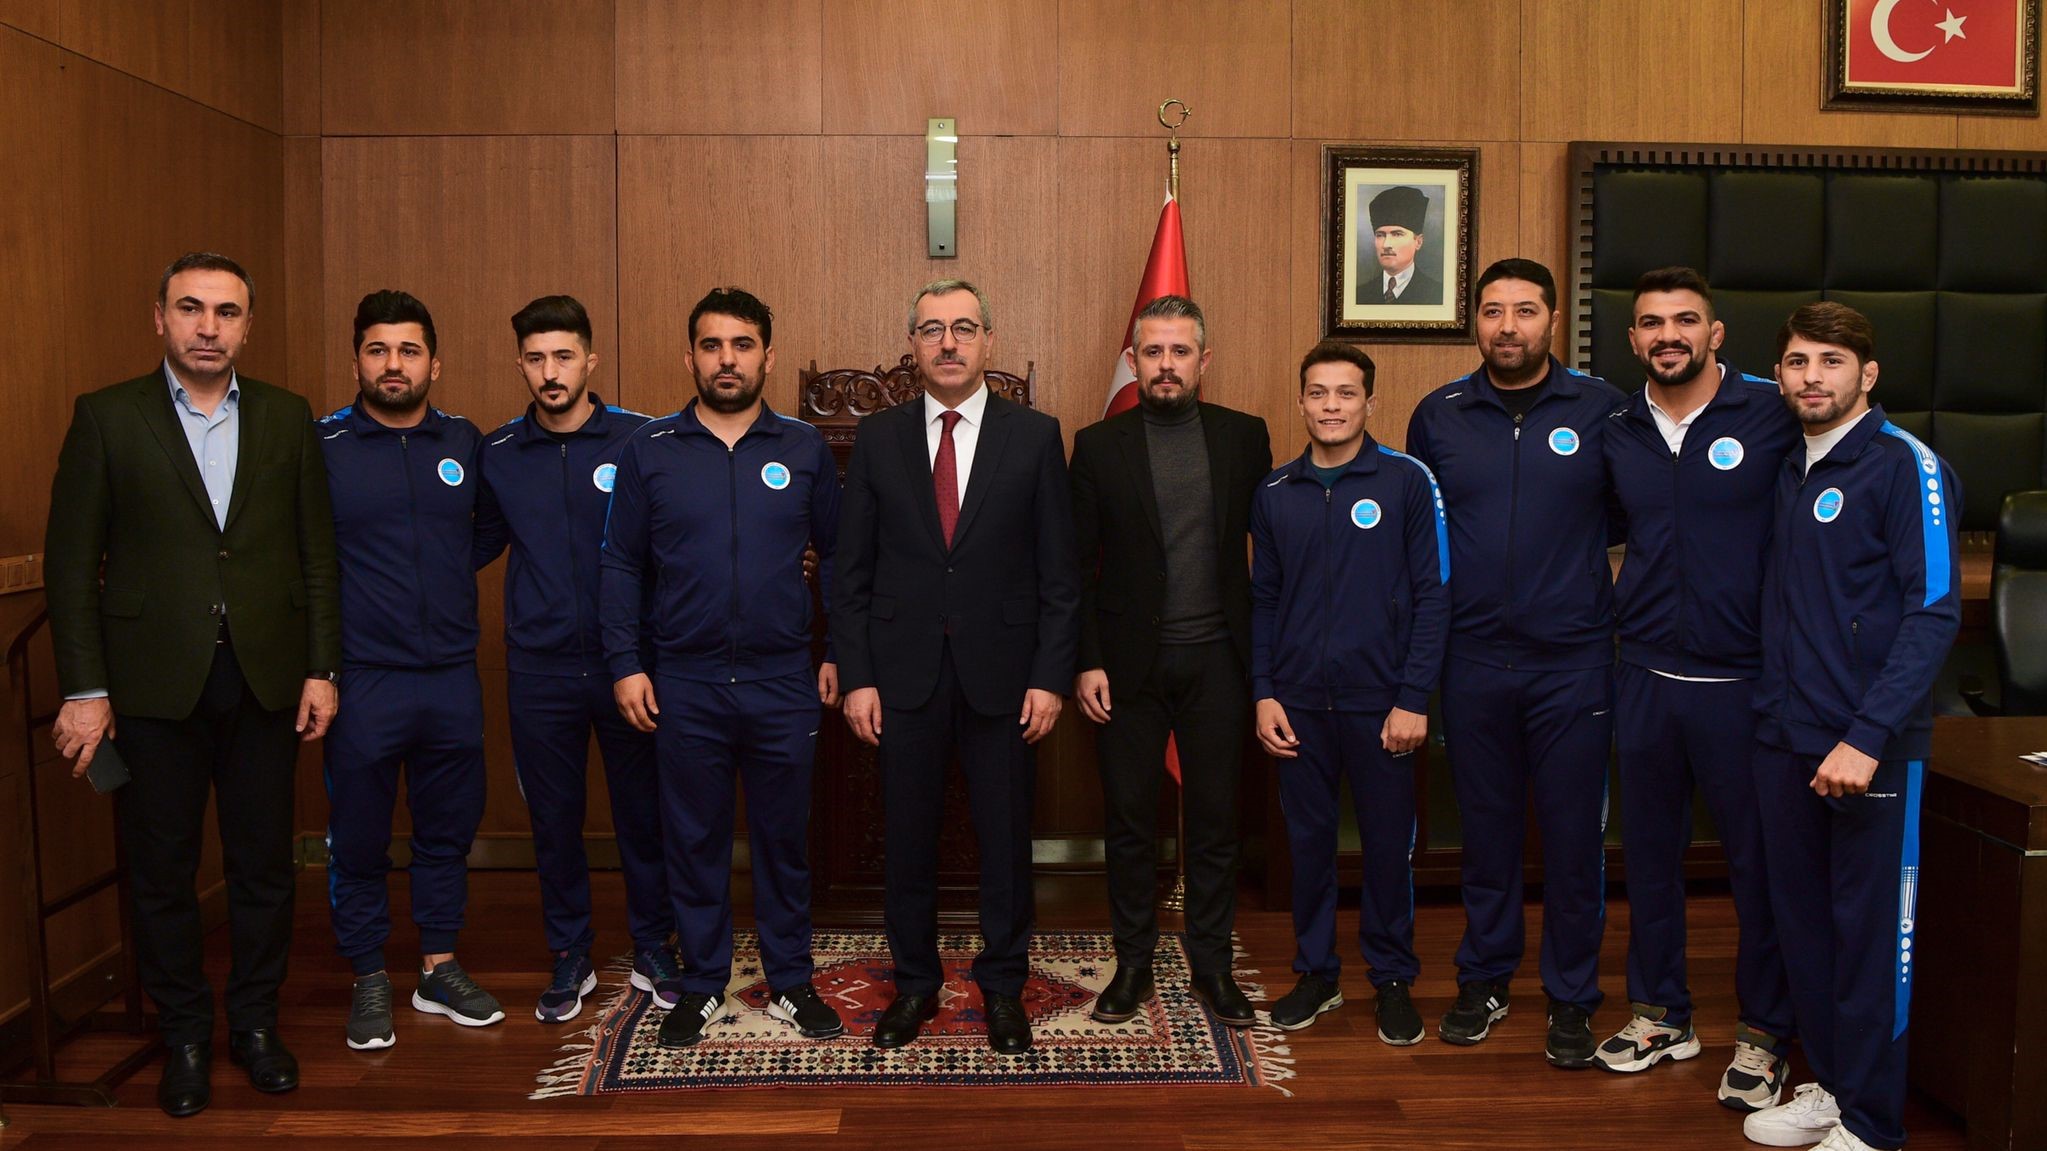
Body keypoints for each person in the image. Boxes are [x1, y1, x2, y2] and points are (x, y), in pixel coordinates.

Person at [46, 252, 340, 1117]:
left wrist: (321, 668)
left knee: (263, 867)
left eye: (226, 312)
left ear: (248, 325)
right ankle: (183, 1033)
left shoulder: (287, 417)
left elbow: (317, 555)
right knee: (162, 870)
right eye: (190, 308)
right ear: (160, 318)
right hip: (149, 685)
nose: (208, 327)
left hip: (264, 679)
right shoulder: (107, 417)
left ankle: (254, 1024)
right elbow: (70, 566)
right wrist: (84, 688)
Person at [833, 278, 1079, 1056]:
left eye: (963, 327)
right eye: (933, 329)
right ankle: (914, 984)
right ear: (913, 343)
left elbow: (1060, 574)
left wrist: (1049, 676)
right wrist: (857, 674)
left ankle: (1003, 987)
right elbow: (850, 571)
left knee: (1005, 842)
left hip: (1005, 678)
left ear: (987, 341)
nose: (948, 342)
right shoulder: (879, 438)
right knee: (907, 839)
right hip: (901, 675)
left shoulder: (1034, 436)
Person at [600, 287, 846, 1048]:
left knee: (783, 841)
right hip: (685, 681)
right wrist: (625, 664)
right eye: (712, 345)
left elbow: (840, 557)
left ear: (767, 356)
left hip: (782, 680)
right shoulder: (650, 449)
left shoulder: (803, 448)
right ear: (690, 358)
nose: (727, 359)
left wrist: (838, 651)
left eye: (742, 345)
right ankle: (703, 982)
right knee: (694, 840)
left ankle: (791, 980)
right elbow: (620, 564)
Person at [1741, 302, 1959, 1151]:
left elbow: (1932, 611)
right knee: (1804, 932)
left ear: (1866, 374)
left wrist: (1866, 736)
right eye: (1797, 362)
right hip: (1785, 738)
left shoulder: (1905, 465)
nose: (1811, 377)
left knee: (1872, 942)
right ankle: (1832, 1087)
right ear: (1778, 375)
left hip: (1870, 750)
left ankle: (1871, 1125)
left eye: (1830, 362)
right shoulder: (1789, 465)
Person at [1404, 257, 1623, 1067]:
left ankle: (1571, 995)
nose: (1507, 326)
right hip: (1471, 660)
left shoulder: (1603, 408)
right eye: (1492, 310)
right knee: (1486, 834)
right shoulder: (1438, 415)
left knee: (1572, 840)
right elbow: (1423, 534)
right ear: (1475, 321)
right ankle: (1485, 978)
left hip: (1573, 662)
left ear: (1552, 320)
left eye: (1524, 310)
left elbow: (1630, 516)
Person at [1595, 268, 1798, 1108]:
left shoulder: (1773, 412)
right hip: (1644, 674)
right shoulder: (1616, 428)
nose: (1667, 334)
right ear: (1632, 339)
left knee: (1758, 867)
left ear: (1715, 334)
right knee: (1648, 860)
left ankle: (1764, 1032)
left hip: (1743, 682)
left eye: (1685, 320)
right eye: (1651, 322)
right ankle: (1659, 1014)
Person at [1069, 295, 1271, 1029]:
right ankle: (1132, 966)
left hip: (1219, 661)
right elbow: (1075, 568)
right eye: (1151, 352)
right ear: (1133, 360)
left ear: (1202, 360)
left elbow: (1272, 555)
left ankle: (1213, 967)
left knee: (1215, 822)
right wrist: (1087, 660)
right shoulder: (1097, 445)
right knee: (1129, 825)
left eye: (1179, 351)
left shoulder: (1245, 437)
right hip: (1127, 667)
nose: (1165, 365)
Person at [473, 295, 675, 1025]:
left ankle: (654, 945)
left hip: (631, 665)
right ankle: (570, 952)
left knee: (643, 815)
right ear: (520, 364)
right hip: (540, 668)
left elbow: (679, 539)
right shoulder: (498, 453)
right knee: (553, 820)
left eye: (563, 356)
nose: (550, 372)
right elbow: (466, 544)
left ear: (590, 360)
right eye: (536, 359)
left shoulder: (641, 439)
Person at [318, 290, 502, 1051]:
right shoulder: (323, 444)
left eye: (409, 350)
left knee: (446, 831)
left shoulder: (463, 441)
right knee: (360, 837)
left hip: (451, 673)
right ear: (357, 360)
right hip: (363, 677)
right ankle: (368, 973)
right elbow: (303, 553)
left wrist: (441, 578)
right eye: (378, 350)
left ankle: (438, 966)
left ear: (435, 363)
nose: (393, 365)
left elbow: (488, 530)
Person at [1251, 340, 1447, 1043]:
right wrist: (1264, 691)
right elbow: (1264, 600)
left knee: (1388, 850)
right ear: (1301, 401)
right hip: (1298, 705)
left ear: (1370, 401)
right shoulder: (1275, 492)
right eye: (1317, 393)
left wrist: (1414, 697)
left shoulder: (1406, 481)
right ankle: (1316, 973)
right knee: (1308, 849)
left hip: (1383, 705)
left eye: (1345, 393)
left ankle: (1392, 978)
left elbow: (1434, 594)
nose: (1330, 406)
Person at [1355, 186, 1443, 306]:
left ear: (1418, 242)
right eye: (1380, 235)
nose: (1386, 244)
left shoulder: (1437, 294)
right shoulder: (1359, 295)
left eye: (1397, 234)